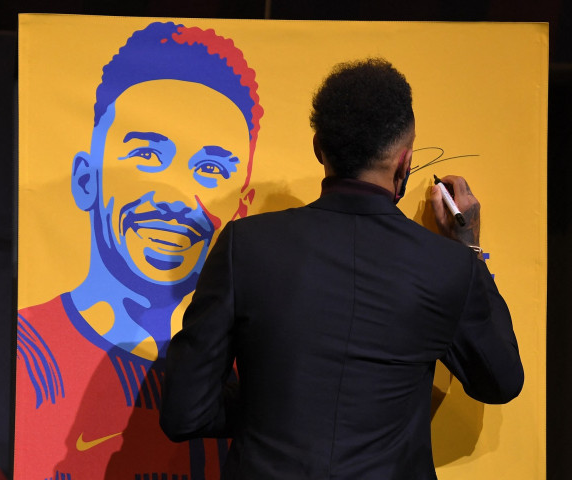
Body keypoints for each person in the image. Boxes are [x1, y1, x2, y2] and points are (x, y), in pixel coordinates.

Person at [160, 58, 524, 479]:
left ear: (319, 148)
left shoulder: (245, 245)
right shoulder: (450, 265)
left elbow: (185, 412)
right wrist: (470, 249)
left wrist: (278, 404)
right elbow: (499, 381)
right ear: (404, 161)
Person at [15, 21, 263, 479]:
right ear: (86, 179)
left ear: (241, 208)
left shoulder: (254, 376)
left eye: (210, 169)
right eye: (147, 155)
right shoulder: (28, 355)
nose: (178, 197)